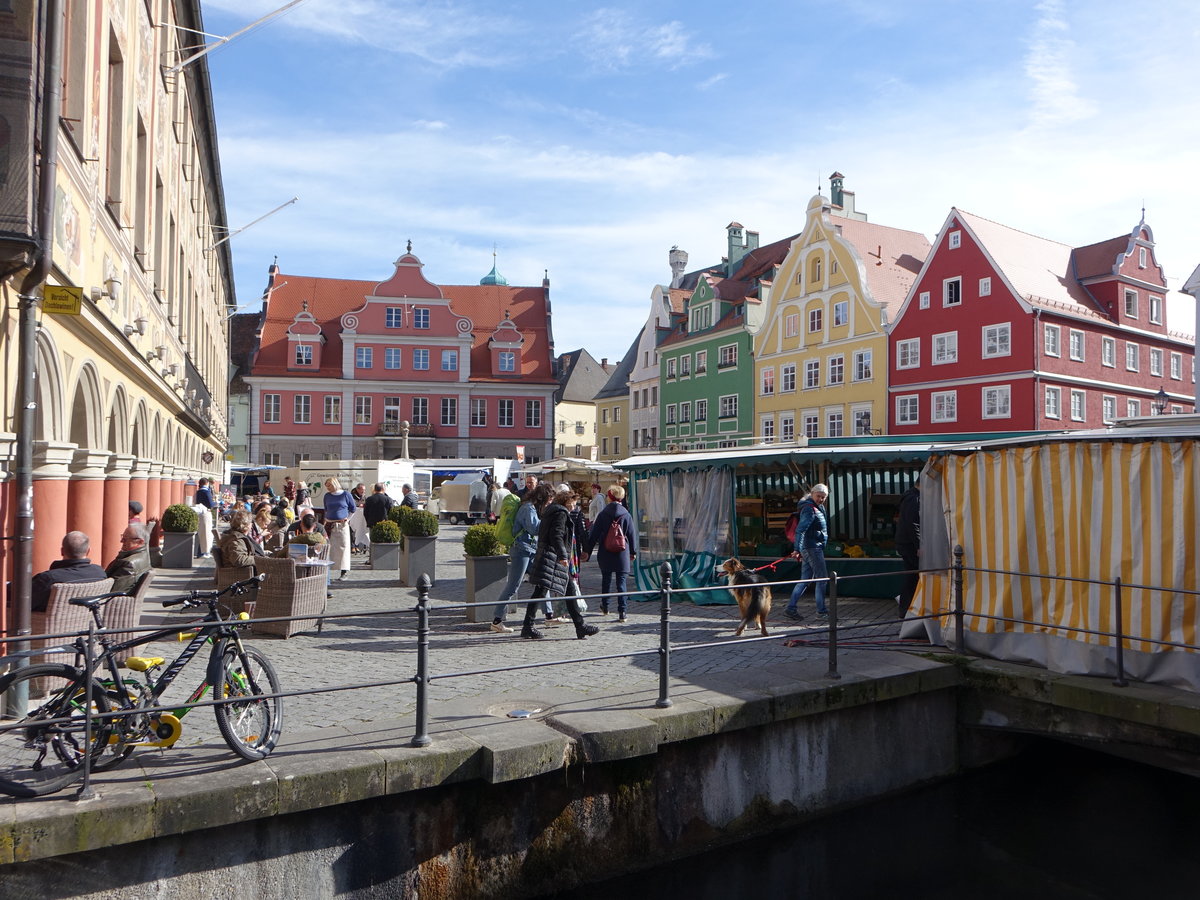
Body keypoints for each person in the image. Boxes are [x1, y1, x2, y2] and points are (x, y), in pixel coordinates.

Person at [520, 487, 599, 641]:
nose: (574, 507)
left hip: (549, 556)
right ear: (566, 501)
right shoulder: (561, 513)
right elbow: (556, 535)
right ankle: (528, 627)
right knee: (541, 592)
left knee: (565, 590)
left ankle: (580, 626)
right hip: (553, 558)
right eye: (573, 503)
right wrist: (563, 555)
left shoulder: (552, 511)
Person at [490, 483, 554, 633]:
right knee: (513, 586)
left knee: (542, 580)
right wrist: (548, 521)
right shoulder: (528, 508)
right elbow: (534, 528)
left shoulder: (530, 507)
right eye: (549, 499)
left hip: (529, 549)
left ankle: (549, 615)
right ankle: (496, 620)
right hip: (521, 550)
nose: (550, 502)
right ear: (542, 497)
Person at [584, 485, 637, 622]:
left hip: (605, 551)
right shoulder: (626, 514)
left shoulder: (603, 514)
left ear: (610, 497)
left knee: (606, 580)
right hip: (622, 552)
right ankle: (622, 611)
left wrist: (587, 551)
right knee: (621, 582)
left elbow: (594, 535)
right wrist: (633, 552)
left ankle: (605, 606)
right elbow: (631, 535)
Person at [31, 531, 108, 612]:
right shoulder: (99, 573)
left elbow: (23, 603)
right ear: (88, 551)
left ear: (62, 551)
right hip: (89, 622)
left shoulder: (48, 579)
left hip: (49, 623)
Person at [785, 484, 830, 620]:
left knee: (805, 580)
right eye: (819, 496)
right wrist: (797, 549)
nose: (821, 499)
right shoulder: (809, 509)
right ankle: (821, 612)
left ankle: (791, 608)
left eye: (824, 497)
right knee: (822, 579)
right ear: (812, 494)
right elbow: (801, 530)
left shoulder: (815, 508)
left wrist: (799, 549)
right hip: (812, 548)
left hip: (810, 547)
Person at [895, 483, 921, 616]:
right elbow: (913, 523)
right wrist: (919, 545)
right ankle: (905, 608)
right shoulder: (913, 498)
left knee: (912, 576)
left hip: (906, 542)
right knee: (912, 577)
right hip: (909, 544)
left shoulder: (910, 496)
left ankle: (906, 608)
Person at [323, 477, 356, 580]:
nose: (328, 488)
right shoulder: (327, 496)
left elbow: (353, 509)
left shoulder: (346, 495)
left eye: (329, 485)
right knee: (328, 547)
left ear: (335, 484)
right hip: (329, 524)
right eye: (326, 486)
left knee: (343, 547)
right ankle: (327, 571)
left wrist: (347, 519)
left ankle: (344, 571)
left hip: (342, 525)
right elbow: (326, 509)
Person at [105, 523, 151, 594]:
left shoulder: (129, 564)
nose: (121, 541)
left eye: (125, 539)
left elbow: (114, 591)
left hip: (114, 602)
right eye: (122, 537)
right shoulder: (144, 556)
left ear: (139, 542)